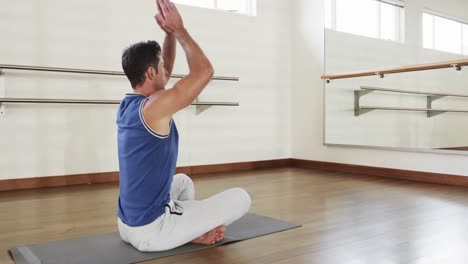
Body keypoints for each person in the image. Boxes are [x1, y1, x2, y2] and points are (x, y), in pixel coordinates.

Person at [116, 0, 251, 252]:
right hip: (150, 231)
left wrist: (168, 35)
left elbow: (164, 69)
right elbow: (205, 71)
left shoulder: (131, 104)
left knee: (182, 182)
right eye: (160, 68)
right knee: (241, 198)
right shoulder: (154, 107)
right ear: (150, 73)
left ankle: (185, 228)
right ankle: (189, 231)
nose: (166, 70)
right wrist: (180, 30)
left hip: (127, 225)